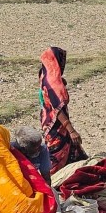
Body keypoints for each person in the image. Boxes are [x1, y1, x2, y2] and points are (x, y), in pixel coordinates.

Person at [39, 46, 86, 175]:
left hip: (48, 120)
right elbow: (58, 108)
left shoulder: (45, 74)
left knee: (73, 151)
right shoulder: (52, 82)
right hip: (56, 124)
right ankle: (50, 181)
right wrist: (71, 130)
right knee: (57, 154)